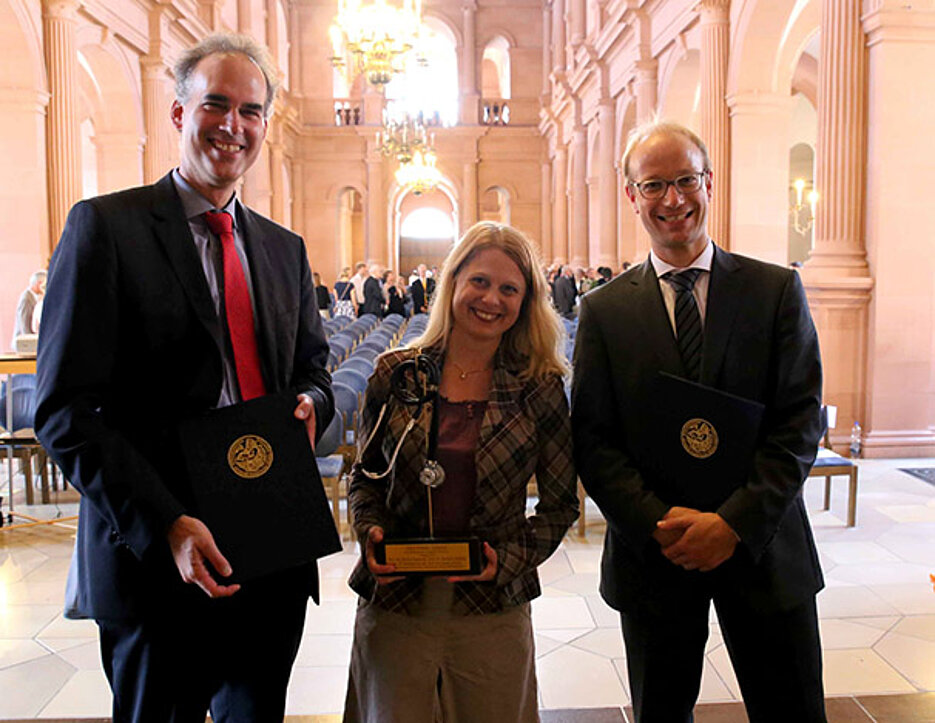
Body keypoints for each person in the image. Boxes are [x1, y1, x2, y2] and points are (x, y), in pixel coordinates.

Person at [34, 33, 336, 722]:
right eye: (216, 105)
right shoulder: (105, 229)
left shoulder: (283, 250)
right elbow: (63, 410)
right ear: (179, 113)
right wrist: (164, 524)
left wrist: (316, 404)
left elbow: (312, 372)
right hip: (157, 558)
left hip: (271, 548)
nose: (234, 126)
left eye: (251, 110)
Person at [571, 120, 826, 722]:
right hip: (657, 554)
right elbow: (595, 439)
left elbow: (800, 421)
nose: (673, 199)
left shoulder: (775, 291)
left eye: (685, 179)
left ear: (709, 182)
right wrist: (659, 523)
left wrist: (732, 523)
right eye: (654, 185)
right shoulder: (603, 312)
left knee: (791, 711)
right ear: (632, 196)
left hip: (764, 548)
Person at [343, 221, 579, 723]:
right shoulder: (396, 372)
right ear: (453, 281)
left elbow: (561, 506)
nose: (491, 298)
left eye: (509, 289)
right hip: (396, 603)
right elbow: (365, 479)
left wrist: (509, 560)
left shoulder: (539, 389)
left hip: (491, 608)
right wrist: (370, 533)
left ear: (525, 302)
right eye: (479, 281)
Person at [11, 269, 46, 346]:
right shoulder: (26, 298)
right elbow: (24, 323)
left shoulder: (34, 297)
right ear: (39, 284)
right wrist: (29, 343)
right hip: (23, 343)